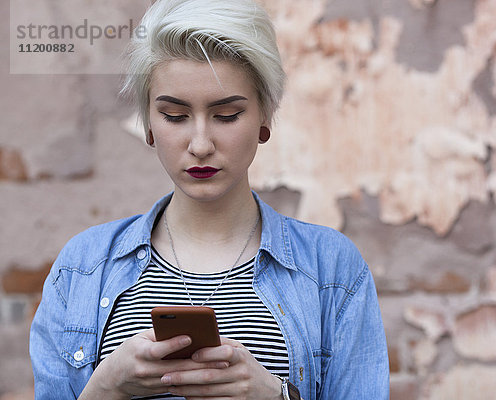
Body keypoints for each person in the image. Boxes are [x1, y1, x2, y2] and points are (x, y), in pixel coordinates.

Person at [29, 0, 390, 398]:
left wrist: (276, 396)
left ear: (264, 118)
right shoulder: (82, 267)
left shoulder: (332, 270)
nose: (200, 144)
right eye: (175, 116)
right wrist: (106, 387)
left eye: (227, 115)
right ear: (148, 124)